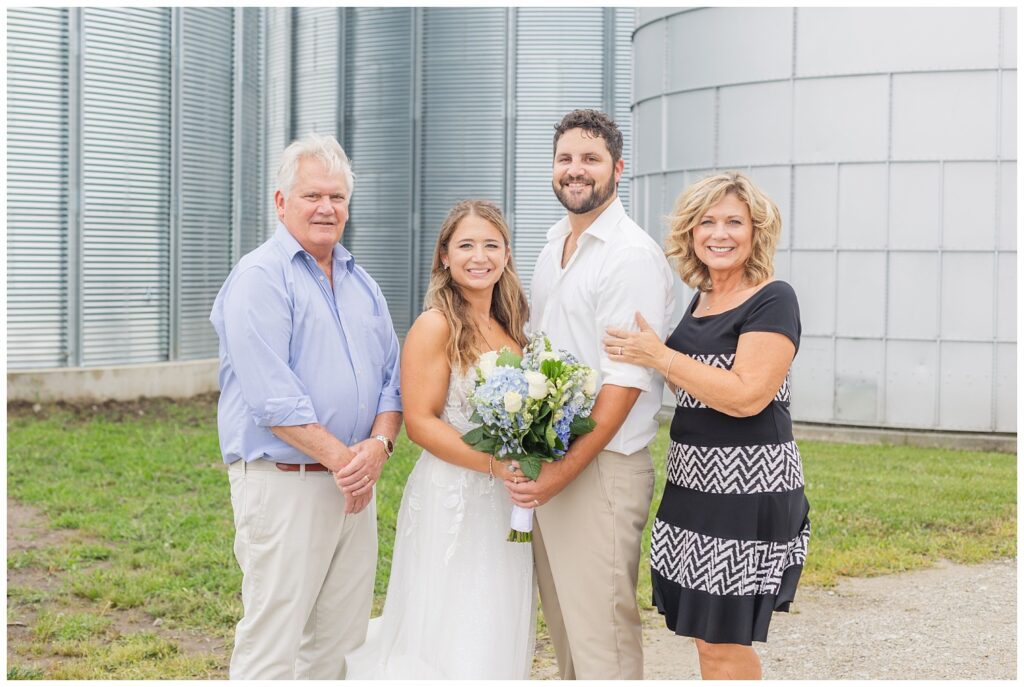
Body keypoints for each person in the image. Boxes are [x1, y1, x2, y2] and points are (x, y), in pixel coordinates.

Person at [603, 171, 811, 680]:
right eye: (707, 222)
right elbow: (699, 391)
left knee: (723, 643)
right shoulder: (700, 298)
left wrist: (661, 356)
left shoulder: (773, 298)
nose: (720, 233)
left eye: (734, 222)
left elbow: (745, 396)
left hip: (745, 495)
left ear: (757, 231)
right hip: (694, 487)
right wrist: (655, 357)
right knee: (705, 640)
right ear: (691, 233)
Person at [209, 133, 402, 680]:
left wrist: (380, 446)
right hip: (284, 483)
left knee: (340, 646)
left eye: (337, 197)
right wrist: (350, 462)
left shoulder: (361, 282)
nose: (327, 208)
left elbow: (393, 380)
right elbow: (274, 399)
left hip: (351, 488)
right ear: (280, 202)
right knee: (273, 642)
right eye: (313, 195)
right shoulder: (259, 278)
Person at [505, 109, 675, 680]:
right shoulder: (553, 246)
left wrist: (561, 472)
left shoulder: (629, 256)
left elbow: (625, 383)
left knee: (603, 638)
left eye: (590, 159)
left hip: (600, 467)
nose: (575, 171)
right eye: (565, 159)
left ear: (618, 169)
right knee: (568, 634)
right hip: (555, 458)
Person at [345, 200, 535, 679]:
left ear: (507, 254)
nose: (480, 256)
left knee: (495, 609)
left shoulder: (511, 326)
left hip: (505, 496)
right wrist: (492, 465)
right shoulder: (436, 325)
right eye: (466, 245)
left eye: (491, 244)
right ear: (444, 257)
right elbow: (422, 423)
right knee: (451, 615)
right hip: (453, 494)